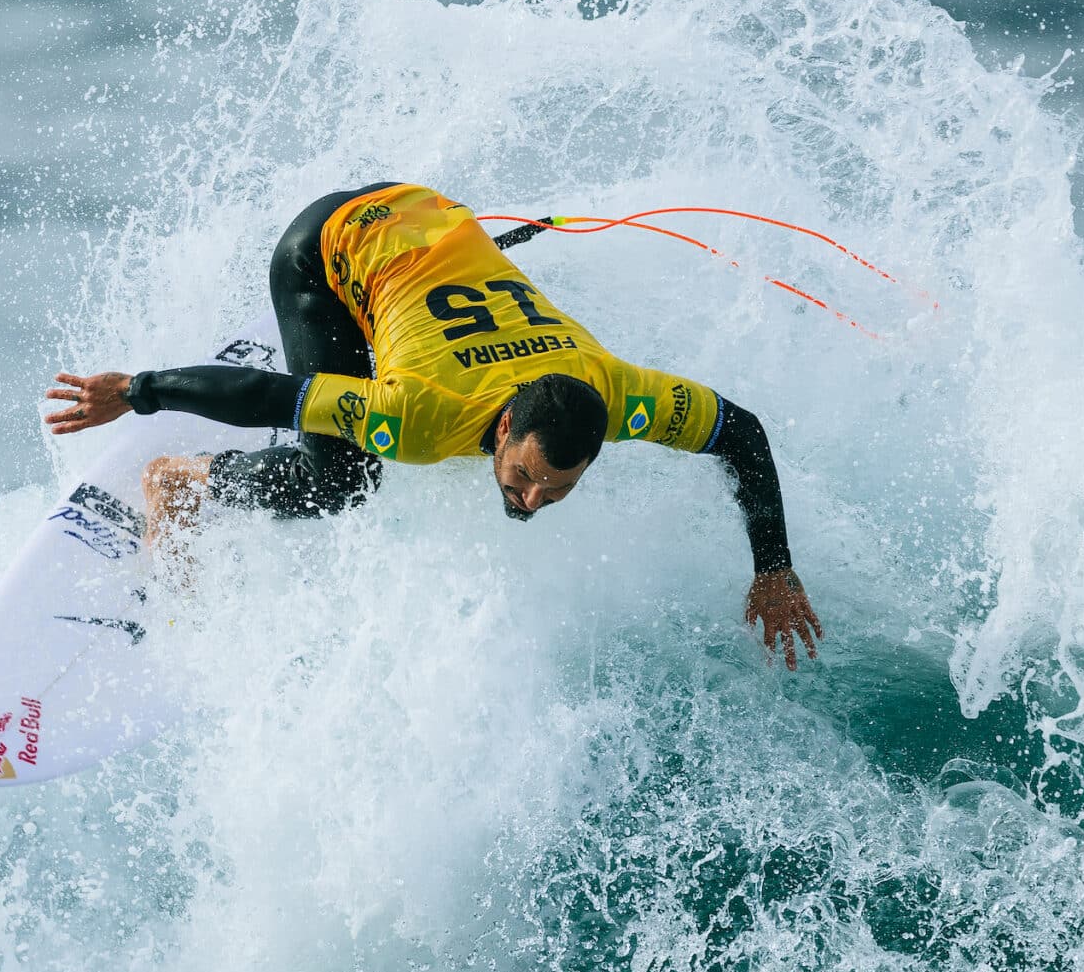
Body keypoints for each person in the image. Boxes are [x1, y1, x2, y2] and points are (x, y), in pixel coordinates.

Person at [43, 182, 824, 669]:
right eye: (523, 476)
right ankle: (177, 480)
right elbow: (265, 395)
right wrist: (138, 390)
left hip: (429, 217)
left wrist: (774, 566)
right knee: (340, 481)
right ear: (506, 422)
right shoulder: (419, 417)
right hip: (325, 249)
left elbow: (741, 432)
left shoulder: (618, 392)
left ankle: (386, 316)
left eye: (555, 492)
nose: (527, 501)